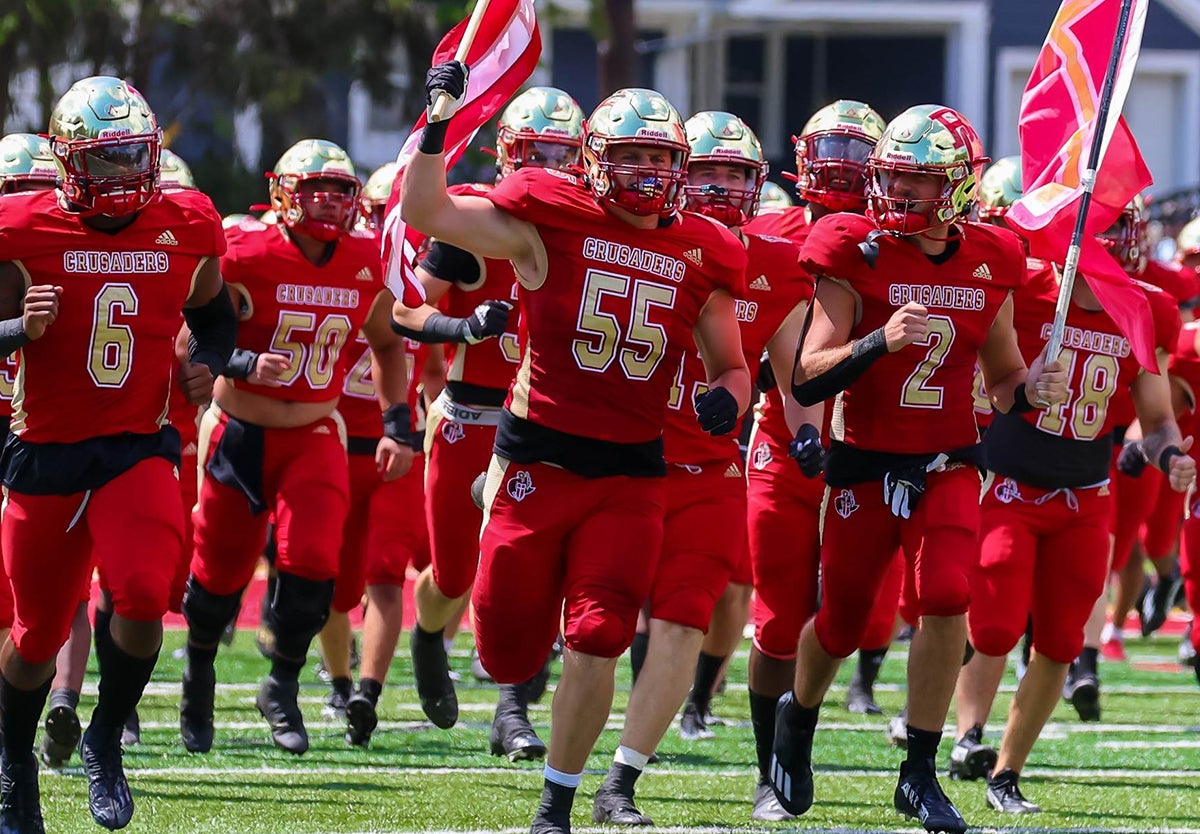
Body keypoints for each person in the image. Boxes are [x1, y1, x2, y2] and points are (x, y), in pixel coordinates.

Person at [405, 63, 751, 834]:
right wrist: (439, 117)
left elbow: (731, 361)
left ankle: (557, 805)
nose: (648, 171)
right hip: (536, 461)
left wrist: (727, 395)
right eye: (631, 156)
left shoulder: (704, 251)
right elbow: (426, 206)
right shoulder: (548, 218)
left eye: (662, 158)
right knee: (507, 652)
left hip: (630, 473)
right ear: (594, 161)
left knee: (597, 633)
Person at [771, 104, 1067, 833]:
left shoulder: (990, 258)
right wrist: (879, 340)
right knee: (839, 624)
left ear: (959, 188)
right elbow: (807, 376)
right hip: (866, 461)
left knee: (946, 597)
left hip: (949, 460)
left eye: (919, 183)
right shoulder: (852, 248)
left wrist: (1034, 390)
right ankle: (797, 719)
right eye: (892, 179)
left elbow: (1003, 380)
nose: (899, 197)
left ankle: (919, 772)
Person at [0, 76, 236, 832]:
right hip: (46, 452)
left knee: (141, 594)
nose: (127, 168)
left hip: (137, 444)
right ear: (68, 161)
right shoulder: (18, 226)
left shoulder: (189, 220)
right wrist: (18, 332)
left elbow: (216, 316)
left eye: (137, 151)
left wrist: (210, 362)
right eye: (107, 158)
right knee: (34, 635)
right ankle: (14, 768)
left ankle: (105, 734)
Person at [591, 110, 817, 826]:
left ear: (758, 185)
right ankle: (544, 731)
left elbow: (794, 379)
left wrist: (810, 437)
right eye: (709, 170)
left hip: (707, 470)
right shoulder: (631, 242)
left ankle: (621, 779)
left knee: (687, 620)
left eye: (736, 174)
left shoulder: (777, 266)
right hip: (615, 463)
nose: (721, 186)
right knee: (594, 625)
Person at [952, 162, 1193, 813]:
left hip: (1086, 492)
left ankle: (1007, 772)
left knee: (1060, 642)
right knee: (997, 625)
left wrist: (1170, 454)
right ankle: (965, 734)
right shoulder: (1022, 288)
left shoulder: (1145, 310)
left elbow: (1155, 418)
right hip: (1009, 480)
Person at [180, 139, 411, 756]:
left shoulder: (365, 257)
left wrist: (397, 422)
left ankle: (281, 684)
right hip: (240, 430)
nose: (329, 203)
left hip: (313, 432)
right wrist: (248, 360)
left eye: (340, 191)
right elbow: (190, 338)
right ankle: (198, 672)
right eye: (315, 189)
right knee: (219, 574)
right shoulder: (246, 250)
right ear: (282, 193)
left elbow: (389, 345)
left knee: (314, 560)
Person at [391, 86, 585, 760]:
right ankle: (426, 636)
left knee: (532, 567)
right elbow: (404, 313)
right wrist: (463, 326)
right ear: (507, 156)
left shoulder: (591, 229)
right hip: (471, 417)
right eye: (536, 154)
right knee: (453, 574)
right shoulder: (477, 225)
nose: (550, 168)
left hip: (543, 425)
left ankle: (512, 710)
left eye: (562, 154)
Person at [315, 162, 441, 747]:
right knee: (333, 583)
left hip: (400, 441)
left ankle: (368, 690)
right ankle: (340, 681)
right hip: (337, 438)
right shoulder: (350, 266)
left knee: (387, 574)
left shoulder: (431, 273)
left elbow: (435, 362)